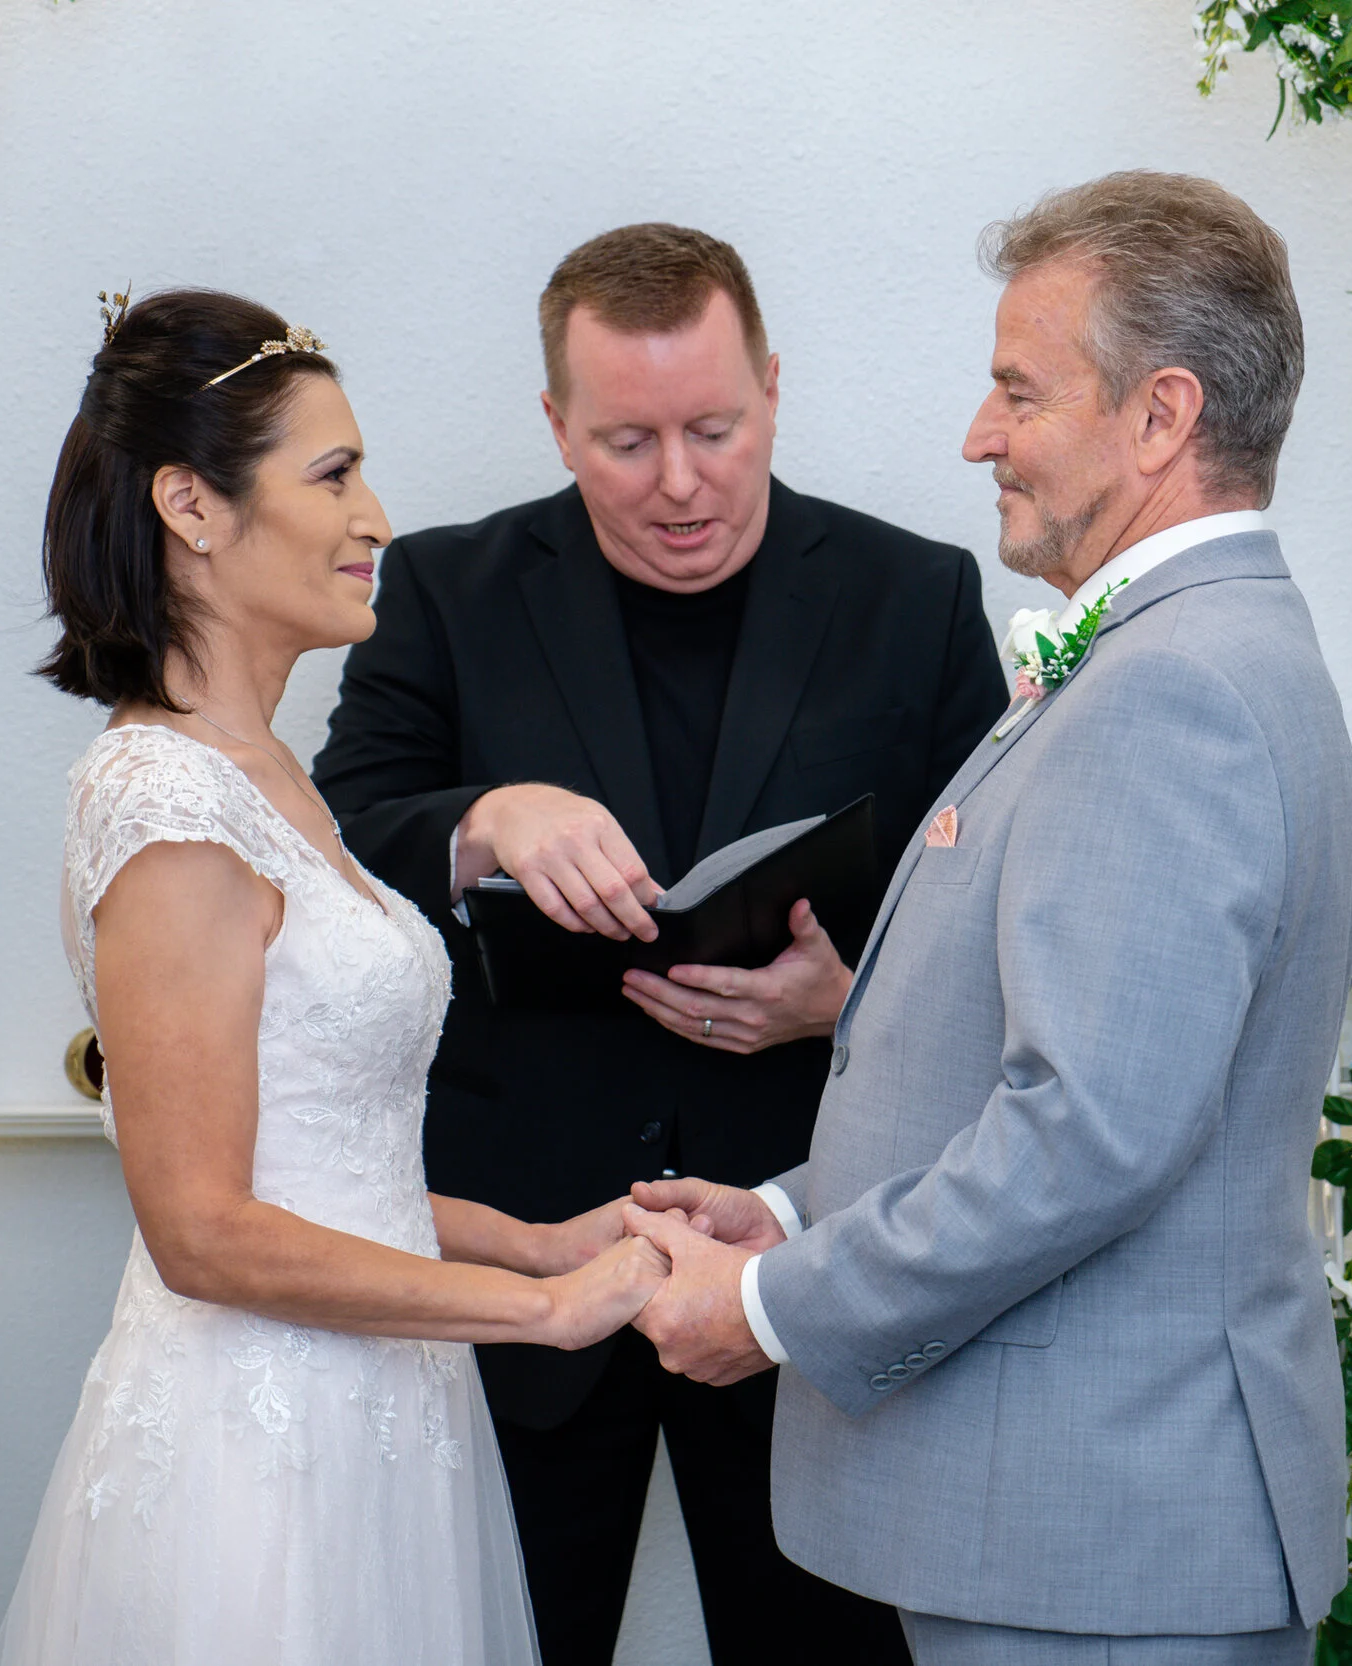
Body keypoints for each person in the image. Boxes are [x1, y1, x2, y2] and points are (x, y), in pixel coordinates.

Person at [624, 172, 1352, 1665]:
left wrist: (771, 1305)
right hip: (1086, 1520)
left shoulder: (1170, 690)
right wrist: (795, 1210)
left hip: (1098, 1536)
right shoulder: (1187, 651)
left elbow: (1082, 1137)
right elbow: (1047, 1075)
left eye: (1019, 392)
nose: (980, 433)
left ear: (1161, 417)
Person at [311, 224, 1008, 1664]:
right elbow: (329, 849)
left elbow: (994, 911)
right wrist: (484, 818)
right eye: (627, 442)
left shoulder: (918, 596)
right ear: (556, 422)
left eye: (714, 429)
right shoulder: (440, 589)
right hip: (518, 1250)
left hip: (806, 1253)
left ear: (773, 389)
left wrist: (844, 1007)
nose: (680, 482)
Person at [0, 288, 676, 1666]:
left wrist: (534, 1241)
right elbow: (204, 1228)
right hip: (260, 1449)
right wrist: (543, 1312)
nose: (376, 520)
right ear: (191, 505)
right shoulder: (167, 805)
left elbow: (324, 1162)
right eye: (335, 475)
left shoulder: (272, 780)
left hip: (377, 1407)